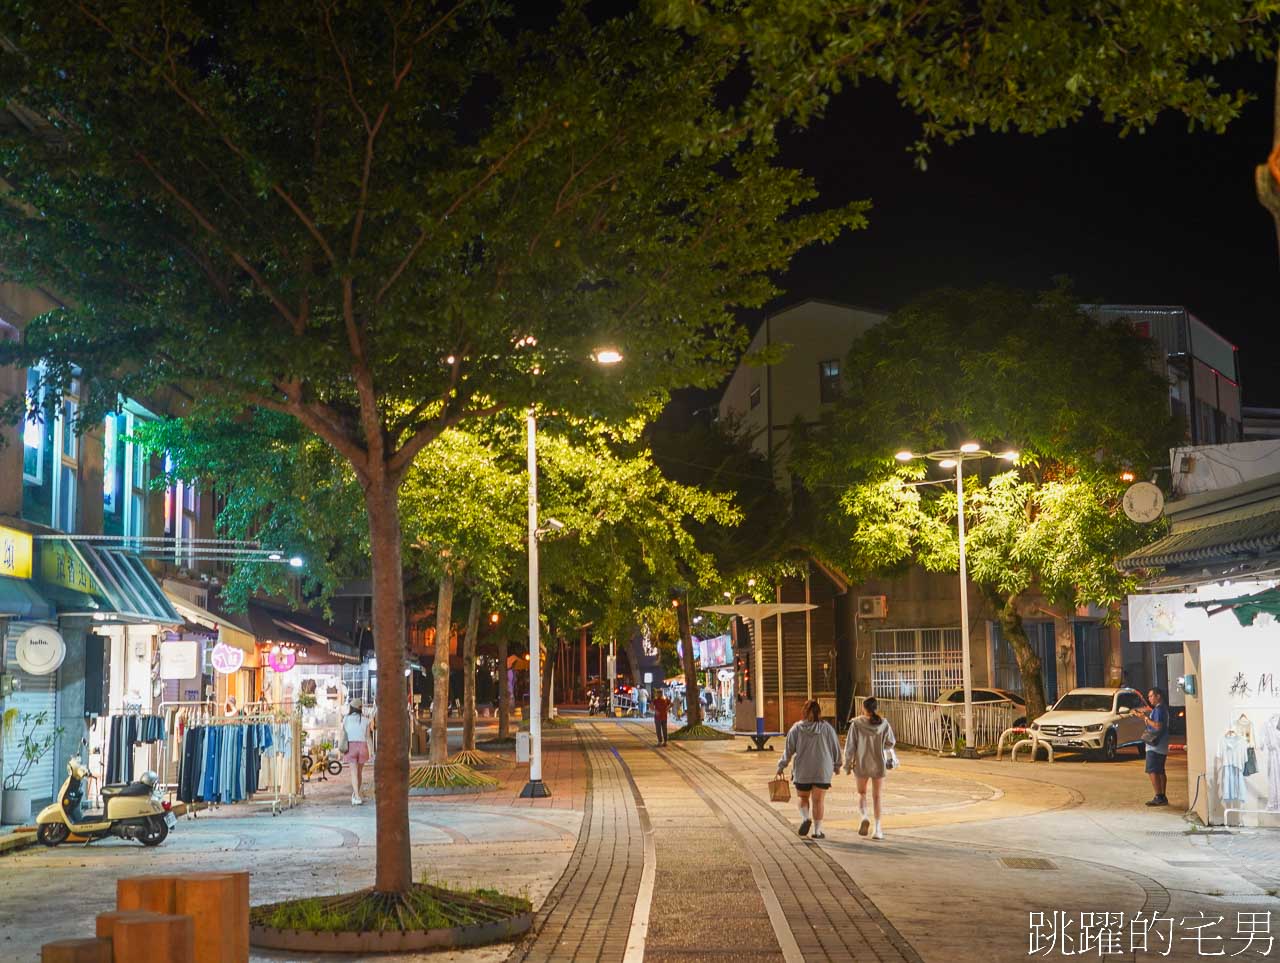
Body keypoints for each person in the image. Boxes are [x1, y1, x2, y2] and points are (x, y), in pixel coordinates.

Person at [776, 700, 842, 839]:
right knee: (818, 801)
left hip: (803, 769)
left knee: (802, 797)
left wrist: (781, 766)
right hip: (822, 769)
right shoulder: (827, 728)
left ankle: (806, 818)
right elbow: (835, 747)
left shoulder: (796, 728)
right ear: (819, 712)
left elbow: (788, 751)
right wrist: (837, 765)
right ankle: (817, 831)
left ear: (804, 712)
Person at [843, 697, 897, 840]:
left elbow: (850, 747)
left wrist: (847, 765)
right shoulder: (884, 724)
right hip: (878, 764)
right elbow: (891, 742)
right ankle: (877, 829)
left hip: (861, 763)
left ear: (863, 708)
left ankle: (864, 817)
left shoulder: (856, 724)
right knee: (877, 796)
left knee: (862, 793)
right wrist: (881, 748)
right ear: (875, 708)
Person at [1139, 687, 1170, 806]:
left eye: (1151, 696)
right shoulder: (1162, 709)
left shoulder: (1159, 710)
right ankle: (1162, 796)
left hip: (1155, 746)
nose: (1149, 699)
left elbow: (1157, 726)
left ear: (1158, 696)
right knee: (1160, 771)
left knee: (1153, 771)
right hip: (1161, 746)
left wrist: (1145, 719)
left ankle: (1159, 796)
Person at [342, 698, 375, 805]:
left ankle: (356, 796)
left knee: (353, 773)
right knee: (359, 773)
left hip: (351, 746)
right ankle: (357, 794)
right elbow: (368, 737)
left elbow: (343, 733)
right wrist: (372, 751)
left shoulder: (346, 719)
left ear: (351, 708)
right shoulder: (365, 720)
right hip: (362, 747)